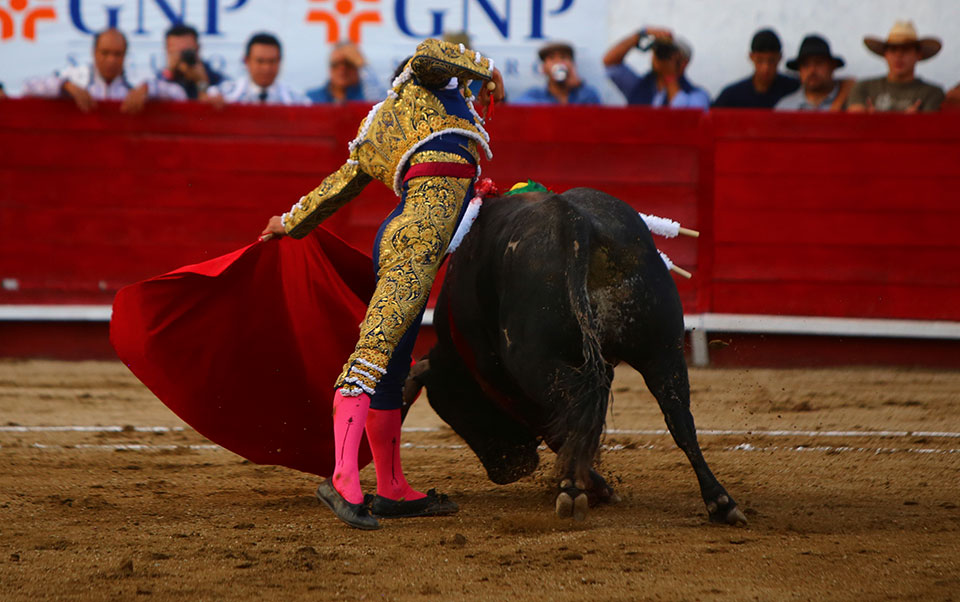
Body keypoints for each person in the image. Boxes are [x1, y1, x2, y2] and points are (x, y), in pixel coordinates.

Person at [260, 38, 504, 530]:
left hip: (415, 238)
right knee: (373, 355)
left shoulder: (387, 124)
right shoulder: (425, 83)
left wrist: (291, 220)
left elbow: (340, 183)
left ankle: (392, 488)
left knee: (393, 367)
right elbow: (429, 53)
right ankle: (342, 478)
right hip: (412, 241)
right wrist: (487, 67)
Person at [22, 28, 185, 112]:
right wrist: (65, 86)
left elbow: (179, 94)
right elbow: (28, 87)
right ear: (94, 53)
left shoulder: (137, 83)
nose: (111, 60)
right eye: (105, 53)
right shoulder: (76, 77)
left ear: (125, 55)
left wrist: (147, 89)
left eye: (117, 54)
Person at [848, 21, 944, 113]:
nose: (899, 55)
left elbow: (930, 123)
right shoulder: (863, 87)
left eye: (906, 49)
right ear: (885, 54)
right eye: (893, 49)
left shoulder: (932, 93)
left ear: (918, 55)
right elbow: (854, 118)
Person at [603, 27, 710, 109]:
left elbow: (683, 116)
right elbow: (610, 63)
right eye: (657, 51)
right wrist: (641, 34)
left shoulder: (697, 95)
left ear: (684, 63)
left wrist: (670, 76)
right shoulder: (638, 86)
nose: (660, 56)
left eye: (667, 53)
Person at [206, 32, 307, 105]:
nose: (266, 68)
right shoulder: (223, 94)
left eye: (272, 61)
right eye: (260, 61)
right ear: (246, 61)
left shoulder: (297, 100)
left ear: (280, 61)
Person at [713, 28, 800, 108]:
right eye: (760, 60)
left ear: (779, 57)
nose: (766, 67)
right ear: (751, 57)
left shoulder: (795, 90)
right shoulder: (730, 97)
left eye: (771, 60)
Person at [514, 40, 600, 105]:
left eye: (563, 57)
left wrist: (579, 85)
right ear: (543, 68)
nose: (558, 62)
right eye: (552, 58)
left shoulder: (587, 94)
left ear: (572, 65)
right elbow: (517, 106)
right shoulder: (535, 95)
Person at [775, 35, 848, 111]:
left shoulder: (851, 104)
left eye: (818, 63)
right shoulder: (784, 108)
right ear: (799, 70)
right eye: (805, 65)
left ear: (832, 66)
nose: (812, 70)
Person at [158, 23, 226, 100]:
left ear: (198, 48)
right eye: (175, 52)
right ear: (167, 51)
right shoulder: (161, 80)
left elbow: (209, 100)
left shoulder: (217, 80)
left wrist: (201, 81)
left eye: (186, 52)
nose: (181, 57)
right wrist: (171, 75)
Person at [306, 42, 372, 104]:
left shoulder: (368, 96)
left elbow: (375, 95)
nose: (342, 68)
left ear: (357, 68)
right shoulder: (311, 99)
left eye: (348, 63)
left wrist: (363, 65)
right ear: (330, 69)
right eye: (336, 64)